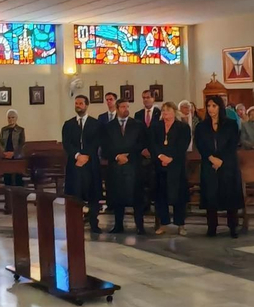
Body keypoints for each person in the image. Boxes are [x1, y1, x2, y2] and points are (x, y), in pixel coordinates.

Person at [194, 95, 243, 236]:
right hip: (209, 164)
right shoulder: (201, 126)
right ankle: (212, 227)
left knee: (230, 195)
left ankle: (233, 226)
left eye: (214, 106)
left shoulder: (231, 124)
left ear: (220, 107)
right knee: (211, 195)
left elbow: (232, 144)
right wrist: (211, 158)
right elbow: (200, 145)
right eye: (208, 106)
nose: (210, 109)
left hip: (227, 164)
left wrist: (221, 160)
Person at [101, 97, 147, 233]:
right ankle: (118, 225)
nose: (125, 109)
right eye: (122, 107)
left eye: (127, 107)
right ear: (117, 108)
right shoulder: (109, 127)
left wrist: (129, 156)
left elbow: (142, 144)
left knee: (137, 198)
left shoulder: (138, 125)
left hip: (133, 166)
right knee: (117, 197)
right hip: (116, 167)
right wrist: (117, 156)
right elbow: (105, 146)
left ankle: (140, 226)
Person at [62, 94, 103, 232]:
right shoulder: (68, 124)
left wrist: (86, 156)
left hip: (90, 164)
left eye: (80, 103)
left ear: (86, 105)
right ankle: (75, 222)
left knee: (93, 193)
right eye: (76, 103)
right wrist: (78, 155)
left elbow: (96, 142)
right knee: (75, 194)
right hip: (74, 164)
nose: (78, 105)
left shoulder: (96, 123)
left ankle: (93, 222)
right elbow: (67, 143)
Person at [151, 101, 191, 233]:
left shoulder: (183, 127)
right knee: (161, 195)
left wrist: (171, 158)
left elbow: (183, 145)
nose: (165, 113)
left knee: (179, 196)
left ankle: (180, 224)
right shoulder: (156, 127)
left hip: (176, 165)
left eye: (168, 110)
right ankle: (163, 223)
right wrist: (160, 156)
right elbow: (152, 144)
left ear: (174, 112)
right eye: (163, 111)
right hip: (160, 165)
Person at [0, 109, 26, 186]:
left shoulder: (20, 130)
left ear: (16, 118)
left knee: (18, 176)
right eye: (9, 118)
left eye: (13, 117)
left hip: (16, 156)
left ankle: (19, 194)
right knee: (7, 176)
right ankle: (8, 193)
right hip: (6, 155)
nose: (11, 119)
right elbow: (0, 142)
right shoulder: (4, 130)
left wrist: (14, 153)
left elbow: (22, 144)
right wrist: (4, 152)